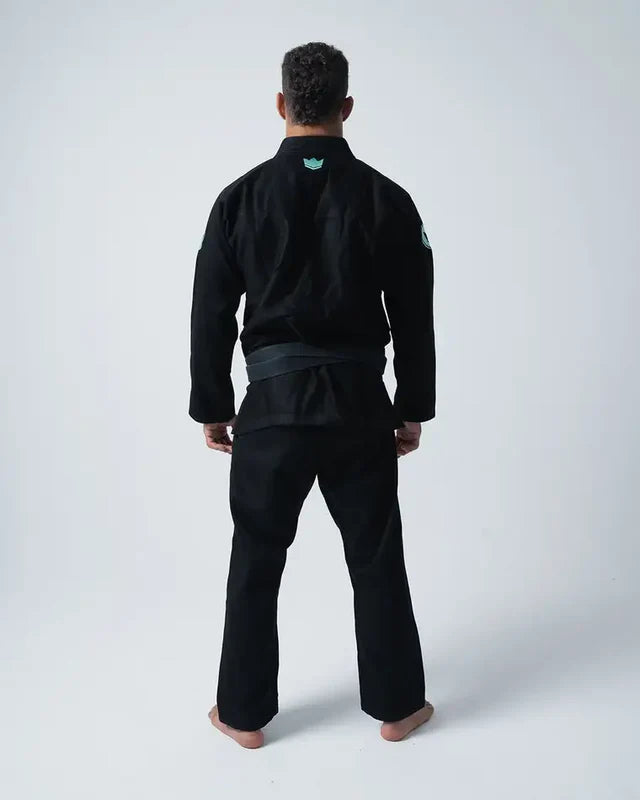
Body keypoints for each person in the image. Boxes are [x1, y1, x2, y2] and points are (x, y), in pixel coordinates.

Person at [189, 41, 436, 748]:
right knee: (375, 556)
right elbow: (414, 313)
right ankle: (398, 708)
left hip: (270, 408)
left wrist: (213, 405)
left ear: (281, 104)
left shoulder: (238, 200)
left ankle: (242, 717)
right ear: (346, 108)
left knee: (256, 559)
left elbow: (211, 311)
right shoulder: (388, 199)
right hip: (359, 406)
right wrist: (412, 407)